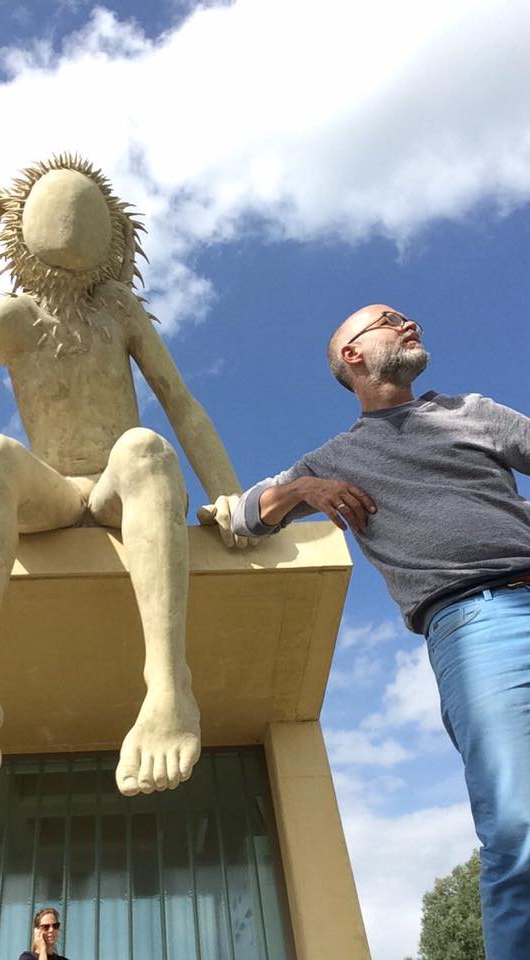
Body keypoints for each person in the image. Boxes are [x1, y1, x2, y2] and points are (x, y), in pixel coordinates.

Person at [0, 155, 249, 808]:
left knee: (144, 446)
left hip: (119, 486)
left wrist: (229, 493)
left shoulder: (118, 308)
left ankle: (169, 686)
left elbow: (180, 403)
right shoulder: (9, 317)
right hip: (53, 493)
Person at [231, 303, 530, 960]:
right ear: (353, 355)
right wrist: (305, 489)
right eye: (389, 319)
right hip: (478, 624)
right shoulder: (338, 459)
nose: (409, 321)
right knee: (519, 829)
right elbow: (242, 516)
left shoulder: (471, 411)